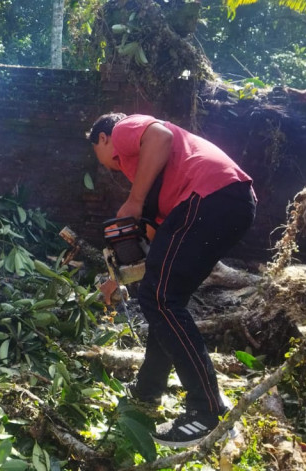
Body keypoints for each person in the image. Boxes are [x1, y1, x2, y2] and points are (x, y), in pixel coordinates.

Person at [88, 112, 256, 448]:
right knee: (163, 299)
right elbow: (153, 245)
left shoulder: (123, 130)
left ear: (103, 139)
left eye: (99, 154)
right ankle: (147, 392)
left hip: (213, 196)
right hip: (225, 204)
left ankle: (207, 410)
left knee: (159, 299)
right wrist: (115, 279)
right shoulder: (156, 180)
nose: (109, 165)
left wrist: (134, 201)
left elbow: (160, 135)